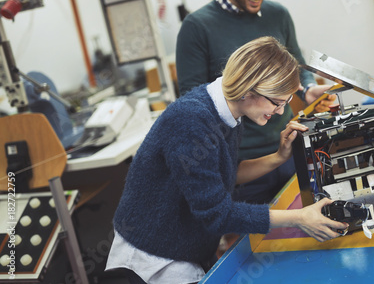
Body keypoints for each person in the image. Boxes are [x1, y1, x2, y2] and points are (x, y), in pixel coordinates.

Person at [106, 37, 348, 284]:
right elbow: (217, 214)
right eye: (277, 102)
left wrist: (279, 157)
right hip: (154, 257)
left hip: (186, 245)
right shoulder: (192, 121)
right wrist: (298, 217)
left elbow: (227, 173)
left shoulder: (228, 111)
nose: (280, 111)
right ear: (248, 89)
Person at [175, 0, 336, 204]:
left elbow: (296, 65)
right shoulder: (197, 27)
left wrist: (307, 90)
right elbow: (193, 105)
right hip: (243, 169)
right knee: (255, 241)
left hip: (289, 152)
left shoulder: (278, 15)